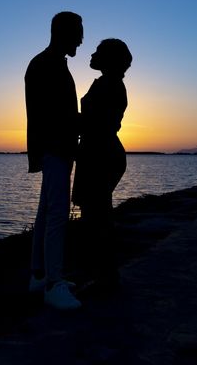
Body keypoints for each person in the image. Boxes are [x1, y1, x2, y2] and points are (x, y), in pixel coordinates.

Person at [25, 11, 83, 310]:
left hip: (55, 146)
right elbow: (48, 114)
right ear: (64, 32)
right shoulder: (47, 64)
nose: (82, 38)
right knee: (57, 213)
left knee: (46, 211)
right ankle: (53, 284)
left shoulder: (51, 63)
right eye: (79, 31)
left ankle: (39, 275)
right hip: (55, 147)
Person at [72, 38, 132, 295]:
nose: (92, 54)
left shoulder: (111, 85)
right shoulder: (107, 83)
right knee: (96, 216)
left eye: (98, 51)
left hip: (101, 154)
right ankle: (102, 275)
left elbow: (96, 123)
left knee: (97, 218)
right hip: (98, 152)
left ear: (108, 58)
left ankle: (104, 278)